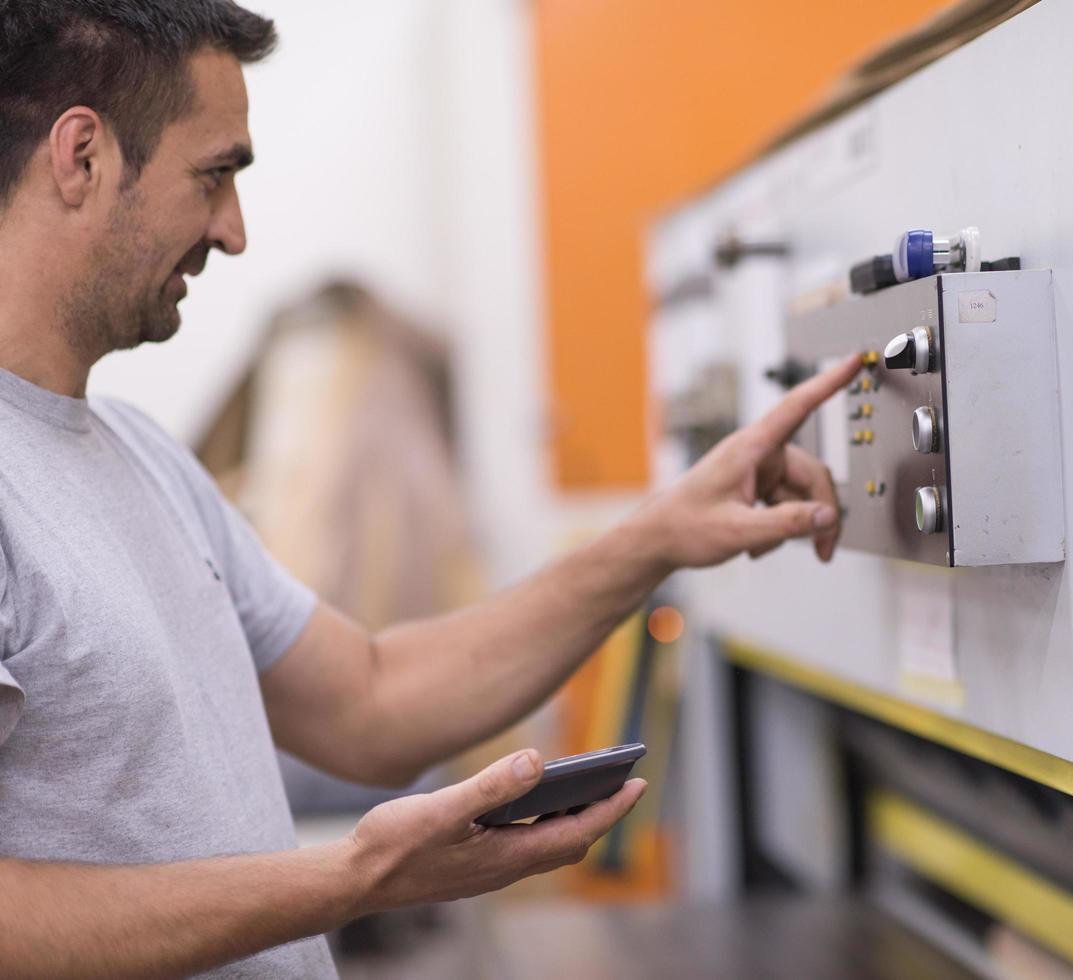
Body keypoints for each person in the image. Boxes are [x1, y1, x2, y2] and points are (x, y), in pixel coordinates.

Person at [0, 2, 859, 976]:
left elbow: (370, 697)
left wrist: (655, 537)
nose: (233, 231)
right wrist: (355, 874)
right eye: (215, 174)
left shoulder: (143, 458)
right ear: (81, 157)